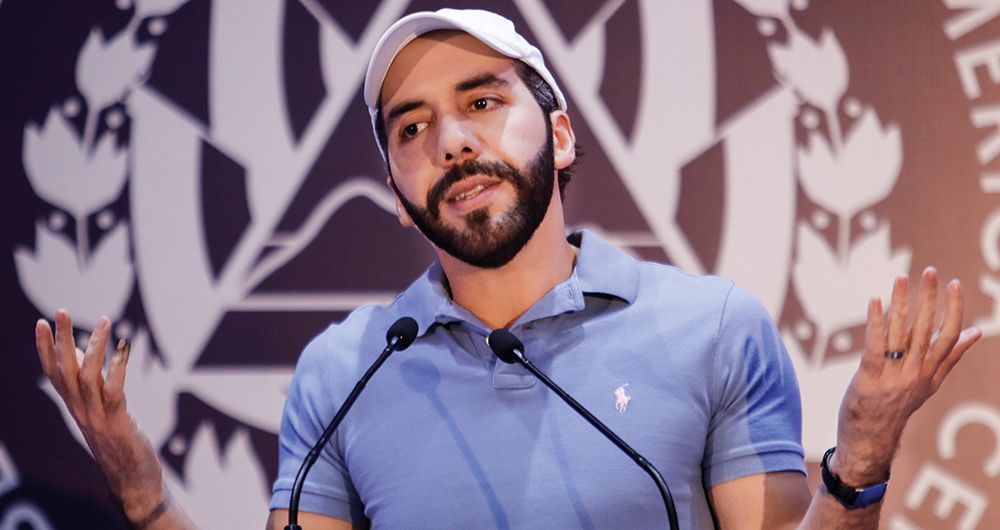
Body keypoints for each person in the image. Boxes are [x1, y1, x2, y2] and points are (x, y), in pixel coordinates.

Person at [35, 8, 982, 530]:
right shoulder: (344, 366)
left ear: (561, 133)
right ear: (395, 178)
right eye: (411, 128)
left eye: (482, 102)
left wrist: (859, 456)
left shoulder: (714, 326)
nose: (449, 141)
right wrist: (144, 498)